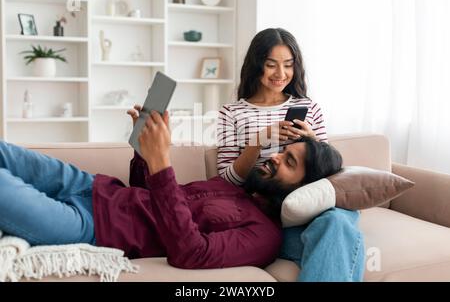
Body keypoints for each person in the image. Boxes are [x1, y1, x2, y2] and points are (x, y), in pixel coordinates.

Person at [0, 110, 343, 270]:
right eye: (284, 151)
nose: (276, 157)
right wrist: (144, 151)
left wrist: (161, 162)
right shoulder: (233, 188)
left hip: (91, 227)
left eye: (290, 163)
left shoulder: (263, 236)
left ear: (302, 188)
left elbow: (191, 253)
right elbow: (151, 195)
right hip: (92, 187)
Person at [217, 28, 365, 281]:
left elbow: (329, 174)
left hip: (311, 205)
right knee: (340, 231)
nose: (281, 74)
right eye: (271, 65)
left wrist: (312, 141)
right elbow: (227, 181)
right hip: (272, 211)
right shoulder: (231, 113)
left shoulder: (309, 108)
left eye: (288, 65)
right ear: (256, 65)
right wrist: (259, 142)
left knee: (338, 219)